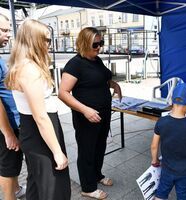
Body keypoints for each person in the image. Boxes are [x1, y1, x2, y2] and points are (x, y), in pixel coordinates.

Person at [5, 19, 71, 200]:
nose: (49, 44)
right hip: (39, 132)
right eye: (47, 40)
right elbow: (40, 117)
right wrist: (58, 152)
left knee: (37, 184)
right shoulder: (28, 70)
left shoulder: (23, 65)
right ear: (34, 40)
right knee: (54, 188)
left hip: (36, 131)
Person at [58, 27, 122, 199]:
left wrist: (114, 85)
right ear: (84, 42)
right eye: (95, 44)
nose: (99, 47)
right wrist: (85, 110)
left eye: (101, 43)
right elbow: (62, 93)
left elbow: (101, 78)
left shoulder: (96, 60)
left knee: (100, 146)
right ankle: (87, 187)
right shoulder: (75, 64)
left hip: (103, 113)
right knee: (87, 150)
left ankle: (97, 175)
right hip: (86, 116)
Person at [151, 83, 186, 200]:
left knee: (161, 193)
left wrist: (154, 160)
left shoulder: (161, 121)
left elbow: (154, 146)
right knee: (184, 195)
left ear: (172, 101)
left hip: (167, 168)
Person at [0, 13, 26, 200]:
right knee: (8, 166)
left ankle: (16, 190)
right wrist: (8, 133)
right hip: (6, 126)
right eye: (4, 30)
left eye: (9, 30)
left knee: (13, 163)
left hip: (12, 122)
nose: (9, 35)